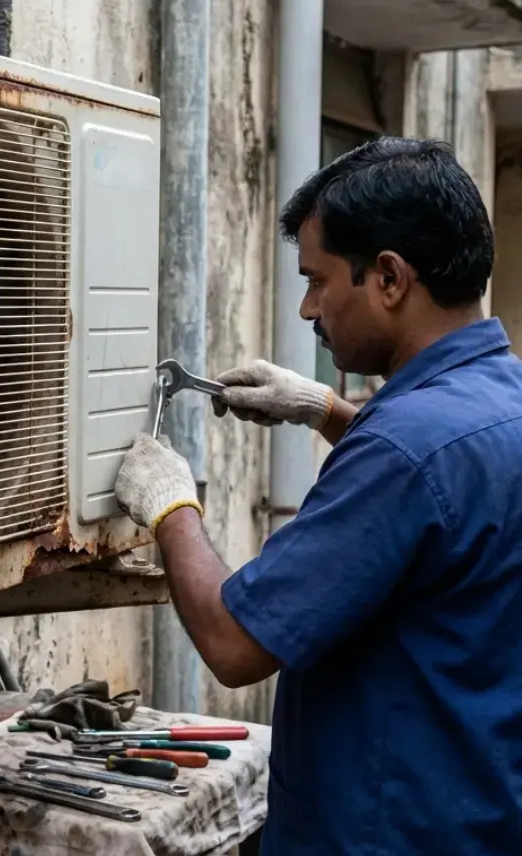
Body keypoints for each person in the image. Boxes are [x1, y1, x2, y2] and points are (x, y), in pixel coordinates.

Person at [113, 136, 522, 854]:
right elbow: (443, 492)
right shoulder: (501, 401)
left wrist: (170, 504)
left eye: (317, 279)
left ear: (389, 278)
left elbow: (233, 643)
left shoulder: (404, 449)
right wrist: (326, 411)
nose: (307, 307)